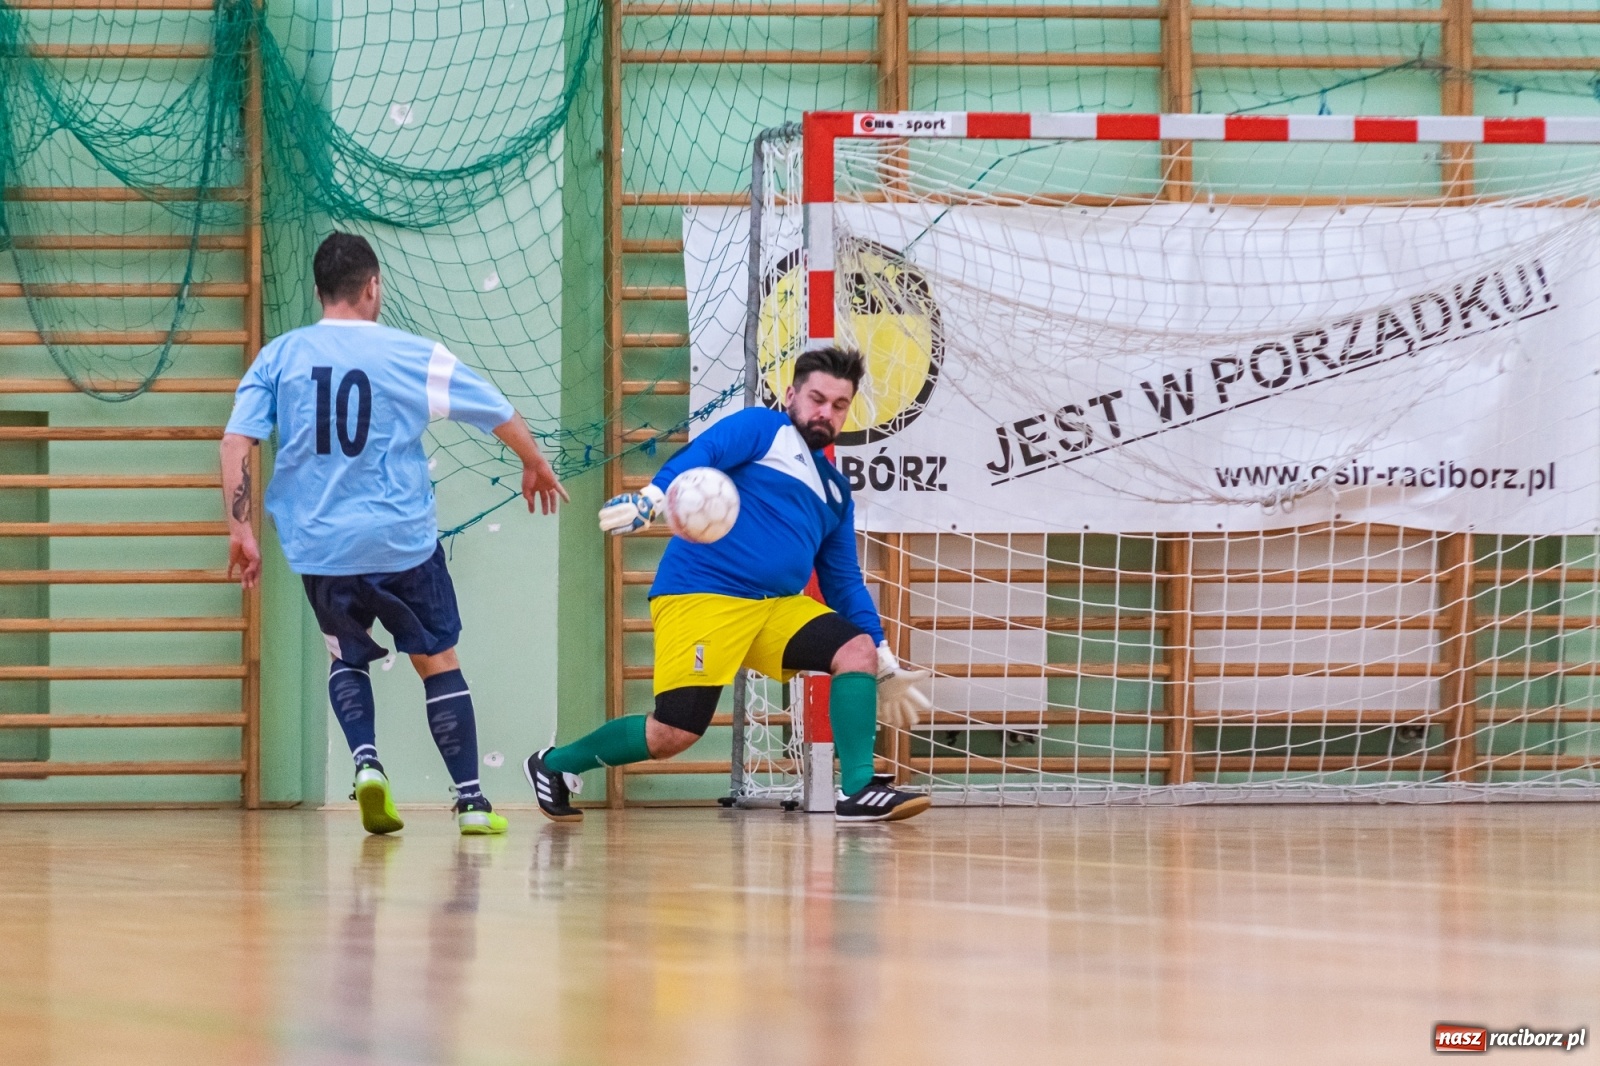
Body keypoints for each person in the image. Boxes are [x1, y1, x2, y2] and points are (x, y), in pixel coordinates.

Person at [222, 232, 568, 836]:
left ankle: (365, 763)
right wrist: (533, 461)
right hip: (401, 541)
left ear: (319, 290)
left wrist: (241, 530)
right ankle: (471, 802)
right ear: (372, 286)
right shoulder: (411, 354)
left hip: (322, 549)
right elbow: (497, 410)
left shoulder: (278, 356)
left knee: (344, 657)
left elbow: (236, 442)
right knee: (438, 661)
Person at [523, 346, 932, 823]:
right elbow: (705, 452)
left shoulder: (835, 491)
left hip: (774, 608)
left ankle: (858, 791)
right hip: (702, 596)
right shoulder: (764, 429)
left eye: (839, 405)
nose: (826, 412)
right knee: (673, 733)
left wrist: (882, 659)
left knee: (855, 649)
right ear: (791, 394)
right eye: (817, 398)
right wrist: (654, 497)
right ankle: (554, 765)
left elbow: (843, 581)